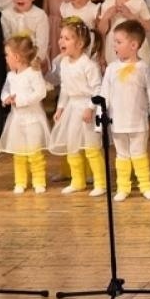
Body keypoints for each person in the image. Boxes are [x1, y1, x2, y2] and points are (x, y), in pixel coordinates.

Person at [101, 19, 150, 200]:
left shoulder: (143, 68)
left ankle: (145, 186)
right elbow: (104, 95)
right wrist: (100, 119)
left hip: (137, 121)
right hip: (117, 121)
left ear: (133, 45)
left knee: (139, 154)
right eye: (114, 42)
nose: (114, 46)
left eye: (118, 42)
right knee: (122, 155)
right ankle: (123, 187)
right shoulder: (111, 69)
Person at [48, 20, 104, 194]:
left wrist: (90, 107)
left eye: (66, 38)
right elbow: (65, 88)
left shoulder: (88, 65)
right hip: (72, 108)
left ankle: (100, 183)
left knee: (91, 147)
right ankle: (77, 180)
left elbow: (97, 88)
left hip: (87, 108)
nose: (61, 41)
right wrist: (60, 108)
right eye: (61, 37)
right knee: (72, 145)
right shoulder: (63, 63)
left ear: (79, 44)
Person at [0, 34, 51, 193]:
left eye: (7, 55)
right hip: (16, 120)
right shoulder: (10, 75)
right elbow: (5, 90)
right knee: (19, 152)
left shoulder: (33, 73)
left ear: (16, 57)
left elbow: (40, 92)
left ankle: (39, 181)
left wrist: (20, 100)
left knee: (34, 152)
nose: (5, 58)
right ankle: (20, 182)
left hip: (33, 119)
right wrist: (6, 98)